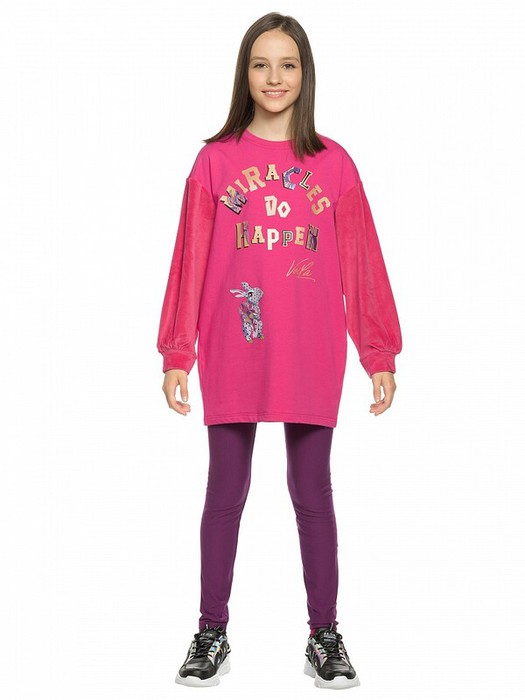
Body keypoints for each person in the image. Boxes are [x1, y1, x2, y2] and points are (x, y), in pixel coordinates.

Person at [157, 12, 402, 690]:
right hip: (235, 346)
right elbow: (189, 259)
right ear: (244, 74)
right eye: (260, 64)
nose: (274, 77)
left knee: (312, 491)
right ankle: (211, 630)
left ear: (304, 74)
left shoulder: (334, 164)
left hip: (310, 349)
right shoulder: (215, 161)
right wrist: (177, 353)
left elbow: (361, 261)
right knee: (225, 490)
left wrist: (378, 352)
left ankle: (324, 633)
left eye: (287, 64)